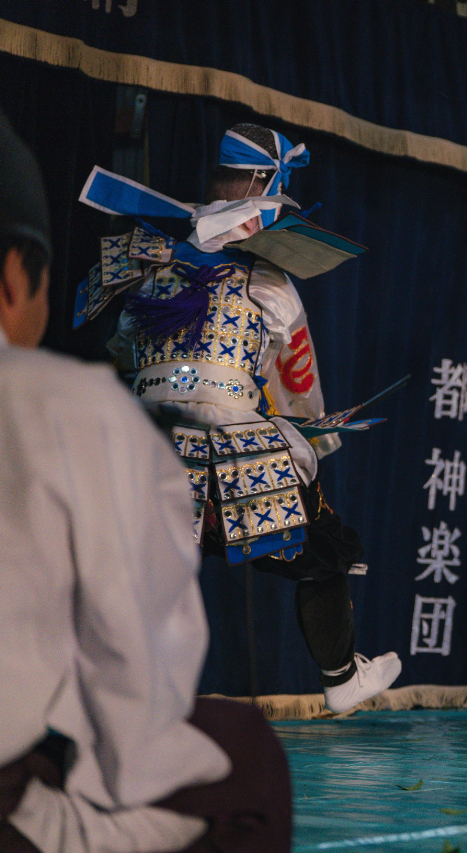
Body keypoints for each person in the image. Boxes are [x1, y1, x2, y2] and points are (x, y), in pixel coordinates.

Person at [0, 110, 291, 852]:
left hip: (214, 418)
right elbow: (136, 671)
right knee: (243, 757)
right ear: (12, 283)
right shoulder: (73, 409)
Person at [76, 123, 399, 713]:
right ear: (266, 187)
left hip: (148, 449)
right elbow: (297, 376)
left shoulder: (146, 265)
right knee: (322, 544)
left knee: (125, 566)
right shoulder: (267, 280)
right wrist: (310, 436)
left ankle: (108, 690)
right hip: (233, 449)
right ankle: (340, 676)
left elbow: (120, 351)